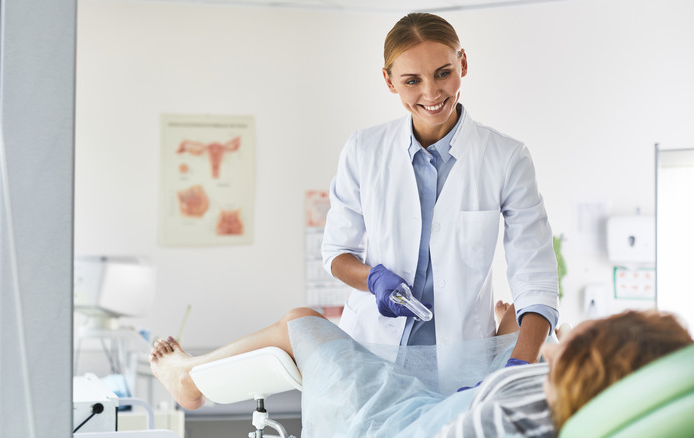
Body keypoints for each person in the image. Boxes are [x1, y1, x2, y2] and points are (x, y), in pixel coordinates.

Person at [320, 12, 558, 365]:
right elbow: (337, 253)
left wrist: (517, 367)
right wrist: (372, 279)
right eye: (412, 80)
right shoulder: (363, 150)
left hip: (461, 359)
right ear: (389, 81)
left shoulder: (507, 158)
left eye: (443, 73)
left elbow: (534, 275)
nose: (431, 93)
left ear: (463, 63)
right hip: (374, 353)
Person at [148, 307, 692, 437]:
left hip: (388, 421)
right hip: (439, 403)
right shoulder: (563, 398)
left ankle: (187, 379)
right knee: (342, 316)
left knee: (302, 323)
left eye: (569, 344)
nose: (558, 343)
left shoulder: (515, 415)